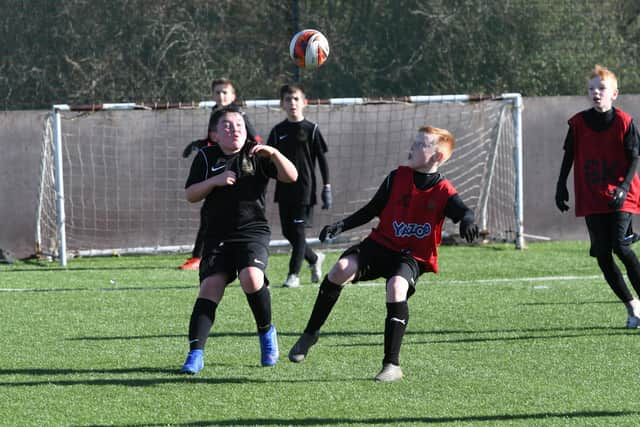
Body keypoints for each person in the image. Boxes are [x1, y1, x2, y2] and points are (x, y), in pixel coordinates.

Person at [287, 126, 479, 382]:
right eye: (414, 142)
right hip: (380, 244)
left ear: (437, 157)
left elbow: (464, 210)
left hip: (411, 256)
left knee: (397, 287)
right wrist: (341, 225)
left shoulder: (443, 190)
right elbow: (372, 209)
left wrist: (467, 221)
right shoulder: (395, 177)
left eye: (421, 144)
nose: (412, 147)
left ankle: (392, 365)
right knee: (340, 269)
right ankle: (310, 333)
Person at [179, 105, 298, 374]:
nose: (234, 130)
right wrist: (216, 181)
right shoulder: (206, 157)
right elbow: (191, 194)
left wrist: (275, 153)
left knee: (251, 278)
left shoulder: (257, 155)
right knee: (210, 287)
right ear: (216, 134)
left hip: (251, 231)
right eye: (227, 126)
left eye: (239, 126)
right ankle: (195, 354)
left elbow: (292, 176)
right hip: (217, 236)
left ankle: (267, 334)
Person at [555, 64, 640, 329]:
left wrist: (624, 187)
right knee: (603, 254)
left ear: (614, 93)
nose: (596, 93)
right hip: (591, 195)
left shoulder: (625, 122)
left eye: (601, 88)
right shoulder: (578, 123)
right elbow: (568, 154)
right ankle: (632, 307)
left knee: (620, 246)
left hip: (621, 195)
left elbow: (635, 156)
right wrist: (561, 185)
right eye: (591, 89)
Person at [179, 78, 263, 270]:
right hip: (216, 168)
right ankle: (199, 257)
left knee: (218, 213)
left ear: (233, 96)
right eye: (217, 92)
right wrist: (199, 144)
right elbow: (213, 140)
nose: (221, 96)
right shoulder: (215, 114)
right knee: (208, 211)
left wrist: (252, 156)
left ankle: (201, 257)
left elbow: (255, 139)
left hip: (237, 169)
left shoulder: (238, 115)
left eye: (225, 92)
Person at [267, 84, 332, 288]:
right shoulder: (278, 131)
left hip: (305, 190)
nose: (292, 103)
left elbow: (322, 161)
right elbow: (268, 161)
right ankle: (314, 259)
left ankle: (293, 275)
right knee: (288, 233)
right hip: (284, 189)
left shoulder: (311, 129)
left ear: (304, 102)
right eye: (288, 99)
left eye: (296, 99)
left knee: (299, 232)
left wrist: (326, 187)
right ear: (282, 104)